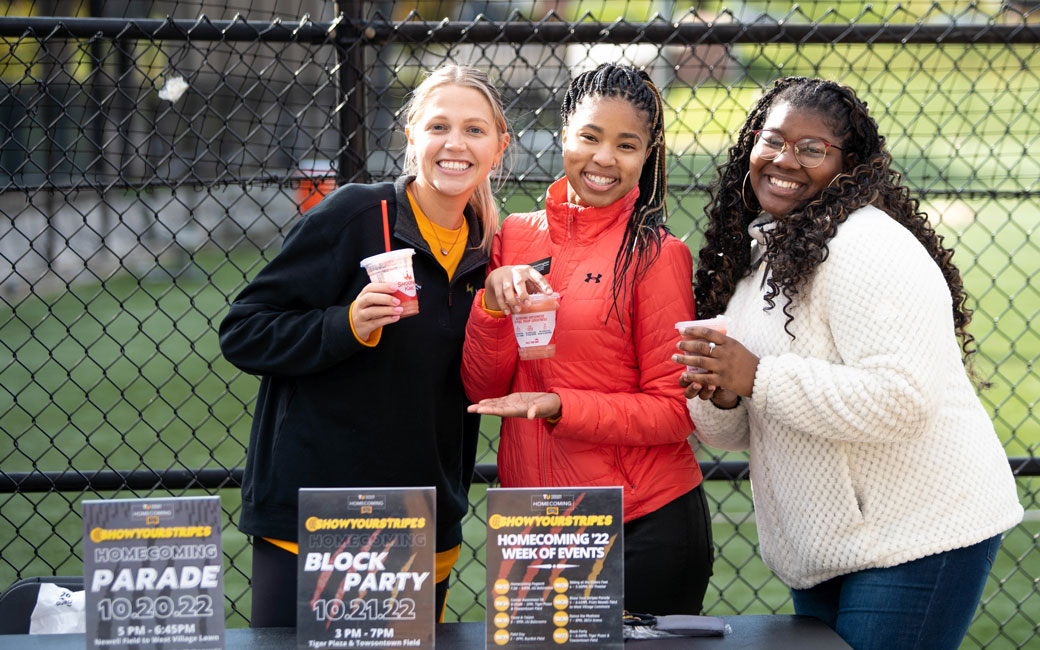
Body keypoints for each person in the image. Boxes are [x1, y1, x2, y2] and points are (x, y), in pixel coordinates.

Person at [676, 76, 1023, 649]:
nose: (785, 160)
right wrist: (723, 393)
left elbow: (902, 400)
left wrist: (756, 375)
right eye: (773, 141)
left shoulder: (868, 246)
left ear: (849, 164)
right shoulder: (759, 257)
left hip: (919, 534)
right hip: (828, 544)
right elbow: (740, 432)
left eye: (812, 149)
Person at [218, 64, 510, 627]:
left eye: (475, 130)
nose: (455, 144)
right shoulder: (355, 214)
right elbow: (244, 330)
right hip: (315, 521)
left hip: (421, 522)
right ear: (411, 136)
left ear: (499, 146)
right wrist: (344, 325)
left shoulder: (494, 251)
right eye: (438, 126)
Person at [462, 63, 713, 615]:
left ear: (646, 156)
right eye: (590, 137)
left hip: (640, 525)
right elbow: (483, 384)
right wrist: (490, 305)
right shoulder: (514, 236)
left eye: (627, 145)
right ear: (564, 135)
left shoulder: (655, 254)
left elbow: (675, 412)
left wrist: (560, 407)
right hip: (536, 521)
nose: (604, 159)